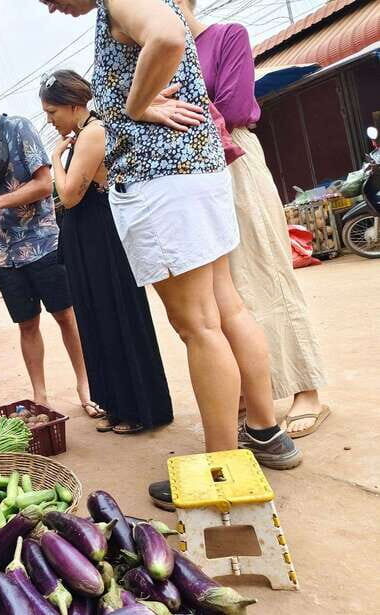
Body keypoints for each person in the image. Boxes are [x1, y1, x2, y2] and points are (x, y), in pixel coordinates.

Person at [37, 0, 301, 509]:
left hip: (162, 178)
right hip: (194, 170)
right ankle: (265, 431)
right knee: (226, 309)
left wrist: (135, 105)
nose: (50, 7)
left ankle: (220, 470)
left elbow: (166, 36)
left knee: (199, 325)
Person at [176, 0, 330, 439]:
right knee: (228, 292)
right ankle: (253, 394)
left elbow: (237, 107)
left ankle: (306, 388)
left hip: (235, 161)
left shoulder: (227, 36)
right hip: (193, 172)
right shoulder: (165, 50)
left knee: (268, 274)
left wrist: (165, 108)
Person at [0, 70, 100, 418]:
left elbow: (44, 185)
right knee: (27, 324)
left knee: (66, 316)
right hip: (2, 253)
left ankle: (86, 384)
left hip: (42, 242)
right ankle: (40, 395)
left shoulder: (18, 129)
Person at [40, 69, 174, 433]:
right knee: (97, 322)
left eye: (52, 112)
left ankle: (140, 409)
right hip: (86, 239)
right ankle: (117, 405)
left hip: (103, 238)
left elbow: (68, 194)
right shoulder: (82, 135)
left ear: (72, 105)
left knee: (118, 318)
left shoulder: (94, 132)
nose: (50, 121)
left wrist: (55, 159)